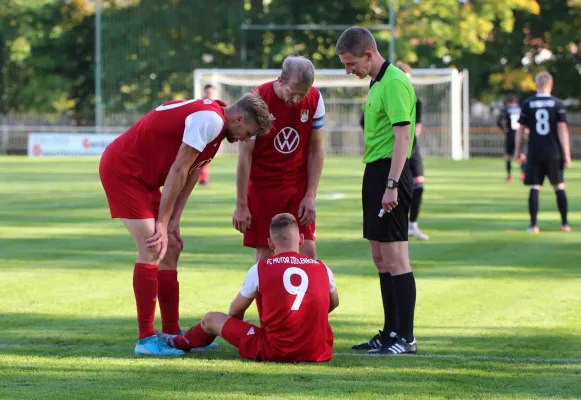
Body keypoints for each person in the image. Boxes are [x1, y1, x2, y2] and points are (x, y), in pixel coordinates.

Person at [99, 93, 272, 356]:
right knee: (153, 247)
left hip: (144, 178)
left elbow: (191, 172)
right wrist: (162, 223)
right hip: (123, 171)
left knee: (172, 247)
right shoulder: (211, 121)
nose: (246, 139)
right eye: (248, 132)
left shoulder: (219, 123)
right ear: (238, 118)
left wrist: (173, 220)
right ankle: (145, 339)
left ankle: (170, 332)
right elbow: (179, 168)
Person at [159, 213, 339, 362]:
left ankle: (177, 342)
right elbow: (333, 303)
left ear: (270, 243)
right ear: (300, 240)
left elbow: (234, 311)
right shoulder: (322, 268)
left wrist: (238, 327)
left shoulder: (260, 269)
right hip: (318, 352)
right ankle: (198, 341)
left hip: (275, 351)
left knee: (211, 319)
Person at [335, 27, 417, 355]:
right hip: (374, 171)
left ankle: (405, 338)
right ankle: (390, 332)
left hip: (390, 173)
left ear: (369, 54)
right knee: (380, 257)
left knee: (397, 258)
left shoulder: (395, 81)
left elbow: (402, 138)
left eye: (351, 63)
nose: (348, 70)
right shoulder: (376, 82)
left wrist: (392, 184)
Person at [232, 56, 326, 262]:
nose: (295, 100)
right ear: (281, 80)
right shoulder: (257, 100)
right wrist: (241, 203)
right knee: (267, 254)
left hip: (297, 184)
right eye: (292, 93)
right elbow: (244, 155)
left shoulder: (316, 100)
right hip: (263, 187)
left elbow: (316, 150)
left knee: (307, 250)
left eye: (302, 94)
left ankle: (307, 296)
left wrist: (310, 195)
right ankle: (266, 296)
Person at [515, 72, 572, 234]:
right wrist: (567, 154)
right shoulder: (557, 104)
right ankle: (565, 224)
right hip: (554, 151)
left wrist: (518, 151)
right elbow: (562, 130)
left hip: (535, 151)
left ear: (536, 84)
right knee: (559, 187)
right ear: (551, 85)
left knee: (535, 187)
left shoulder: (528, 104)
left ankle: (533, 225)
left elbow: (521, 130)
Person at [396, 62, 429, 240]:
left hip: (412, 147)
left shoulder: (415, 99)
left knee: (419, 185)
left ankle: (412, 224)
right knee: (397, 188)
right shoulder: (387, 96)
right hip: (394, 148)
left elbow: (417, 127)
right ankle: (398, 225)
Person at [496, 95, 523, 182]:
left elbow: (499, 121)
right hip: (520, 134)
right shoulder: (520, 109)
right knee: (521, 155)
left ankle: (509, 176)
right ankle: (523, 174)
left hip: (510, 134)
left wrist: (504, 129)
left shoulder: (506, 109)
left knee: (508, 156)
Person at [199, 84, 217, 186]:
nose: (210, 94)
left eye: (211, 92)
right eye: (208, 92)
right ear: (205, 92)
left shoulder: (216, 104)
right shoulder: (200, 103)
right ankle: (202, 180)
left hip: (210, 136)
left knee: (205, 159)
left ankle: (203, 179)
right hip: (199, 135)